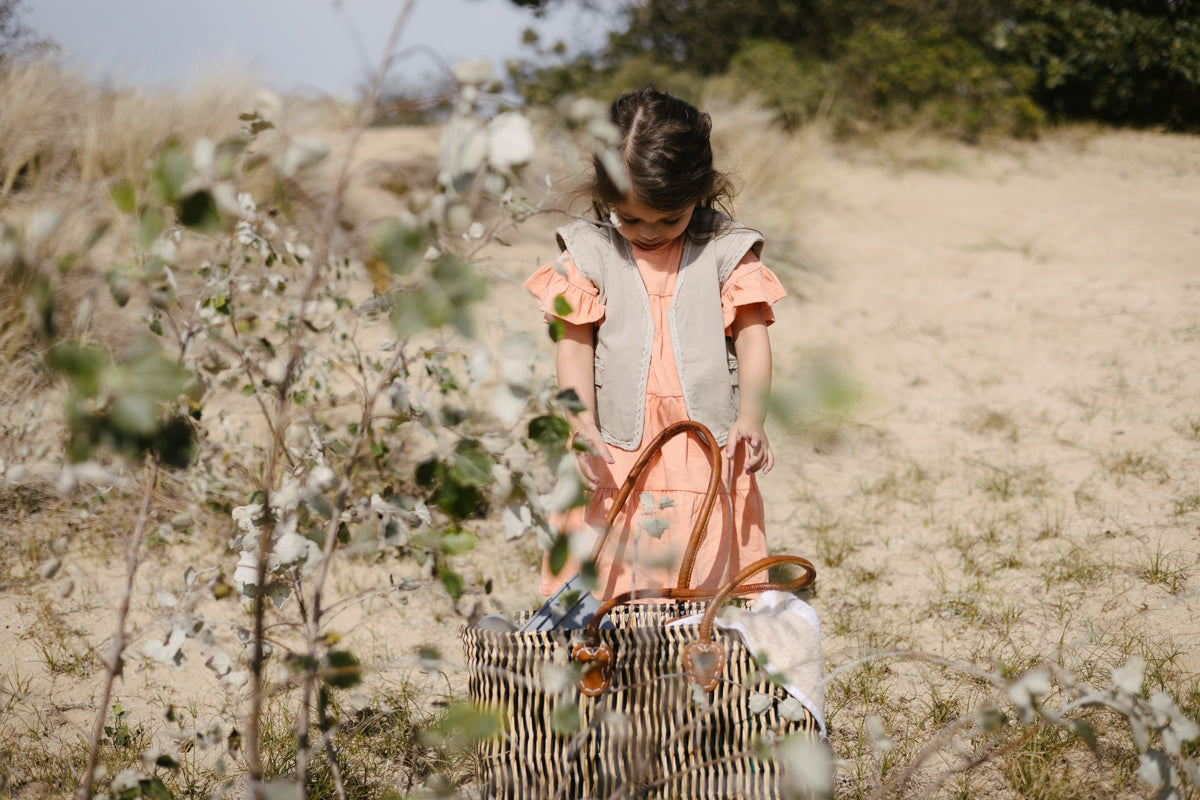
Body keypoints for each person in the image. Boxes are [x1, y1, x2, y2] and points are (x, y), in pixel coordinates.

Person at [524, 87, 786, 600]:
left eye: (670, 218)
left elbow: (754, 339)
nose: (649, 232)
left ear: (700, 190)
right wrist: (579, 423)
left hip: (703, 440)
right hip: (617, 441)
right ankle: (614, 651)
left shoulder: (726, 250)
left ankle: (690, 640)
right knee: (609, 552)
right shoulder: (590, 251)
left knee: (698, 557)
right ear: (605, 197)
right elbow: (573, 345)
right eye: (631, 218)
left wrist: (751, 418)